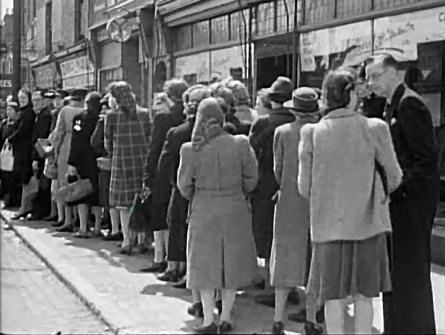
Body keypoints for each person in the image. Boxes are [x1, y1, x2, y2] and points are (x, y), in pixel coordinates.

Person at [298, 69, 403, 334]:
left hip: (327, 228)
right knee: (365, 296)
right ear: (351, 95)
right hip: (368, 225)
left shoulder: (311, 133)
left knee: (332, 297)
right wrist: (378, 194)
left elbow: (304, 187)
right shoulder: (374, 127)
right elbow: (394, 175)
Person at [366, 54, 439, 334]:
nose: (372, 83)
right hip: (397, 201)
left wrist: (401, 188)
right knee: (396, 272)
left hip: (410, 204)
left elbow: (425, 160)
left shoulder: (409, 104)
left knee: (410, 271)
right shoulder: (390, 104)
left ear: (394, 72)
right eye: (369, 77)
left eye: (376, 76)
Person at [177, 97, 259, 333]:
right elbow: (252, 179)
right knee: (231, 264)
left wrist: (198, 194)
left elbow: (184, 186)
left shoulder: (191, 149)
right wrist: (236, 191)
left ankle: (207, 321)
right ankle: (226, 318)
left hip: (204, 208)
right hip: (235, 208)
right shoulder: (240, 143)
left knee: (205, 264)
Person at [269, 87, 320, 335]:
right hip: (315, 200)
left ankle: (278, 318)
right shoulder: (322, 133)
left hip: (288, 198)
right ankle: (311, 319)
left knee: (285, 255)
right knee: (313, 260)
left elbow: (277, 168)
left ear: (294, 110)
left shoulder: (282, 133)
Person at [156, 85, 211, 286]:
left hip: (180, 186)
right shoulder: (216, 133)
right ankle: (188, 269)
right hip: (206, 189)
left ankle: (175, 267)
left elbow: (165, 162)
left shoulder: (177, 132)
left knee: (177, 225)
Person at [249, 76, 295, 299]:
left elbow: (251, 154)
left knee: (267, 234)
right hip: (293, 184)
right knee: (290, 235)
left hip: (265, 185)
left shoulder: (263, 123)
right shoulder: (301, 122)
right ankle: (291, 286)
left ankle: (271, 285)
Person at [142, 79, 188, 271]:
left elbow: (155, 149)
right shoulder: (187, 117)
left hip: (164, 170)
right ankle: (178, 261)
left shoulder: (163, 118)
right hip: (183, 170)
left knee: (160, 214)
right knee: (178, 217)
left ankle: (161, 258)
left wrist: (148, 174)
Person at [105, 81, 151, 254]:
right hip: (141, 161)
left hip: (121, 162)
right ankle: (141, 240)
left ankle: (126, 240)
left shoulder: (111, 116)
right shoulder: (144, 113)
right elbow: (150, 137)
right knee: (139, 200)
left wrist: (113, 151)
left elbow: (107, 142)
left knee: (123, 205)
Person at [67, 91, 102, 238]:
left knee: (82, 194)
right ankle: (98, 227)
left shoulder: (79, 119)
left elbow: (76, 141)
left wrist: (71, 163)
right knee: (97, 195)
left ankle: (83, 227)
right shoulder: (102, 119)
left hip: (82, 160)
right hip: (98, 159)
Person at [52, 89, 88, 232]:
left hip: (67, 146)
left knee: (65, 184)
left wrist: (54, 150)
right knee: (82, 184)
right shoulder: (88, 112)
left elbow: (58, 133)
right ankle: (81, 220)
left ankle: (68, 219)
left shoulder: (65, 111)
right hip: (85, 149)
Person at [9, 89, 35, 220]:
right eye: (20, 98)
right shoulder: (23, 112)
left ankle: (25, 207)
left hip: (25, 151)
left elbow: (22, 130)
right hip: (20, 150)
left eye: (24, 97)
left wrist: (10, 138)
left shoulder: (28, 113)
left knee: (25, 179)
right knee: (23, 179)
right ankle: (24, 207)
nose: (22, 100)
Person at [28, 90, 52, 220]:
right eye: (34, 100)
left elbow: (41, 138)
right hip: (41, 154)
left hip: (43, 154)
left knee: (43, 185)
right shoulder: (39, 115)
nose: (35, 103)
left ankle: (40, 212)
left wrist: (36, 158)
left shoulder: (45, 116)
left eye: (38, 100)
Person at [0, 101, 21, 207]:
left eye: (11, 110)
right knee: (5, 177)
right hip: (4, 152)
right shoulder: (4, 123)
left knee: (13, 178)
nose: (8, 112)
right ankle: (6, 198)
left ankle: (14, 199)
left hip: (14, 153)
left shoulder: (18, 123)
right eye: (7, 110)